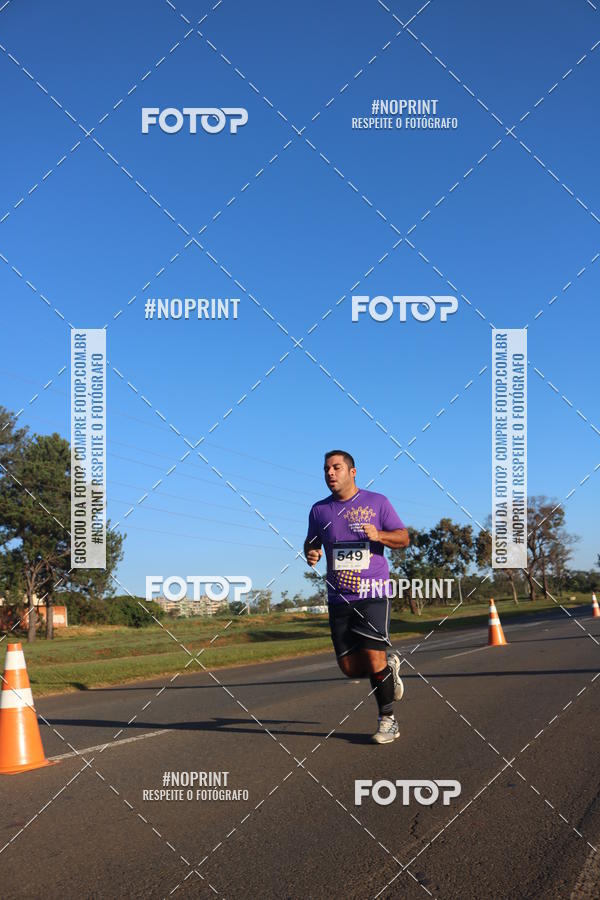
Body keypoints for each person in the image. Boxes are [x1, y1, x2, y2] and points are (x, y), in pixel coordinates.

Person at [304, 450, 410, 744]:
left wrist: (380, 536)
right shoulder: (318, 510)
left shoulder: (377, 502)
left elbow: (403, 537)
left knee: (373, 656)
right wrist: (310, 552)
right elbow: (312, 541)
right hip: (339, 597)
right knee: (350, 668)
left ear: (352, 472)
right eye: (326, 469)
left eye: (336, 467)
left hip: (373, 592)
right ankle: (389, 669)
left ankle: (387, 719)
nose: (330, 473)